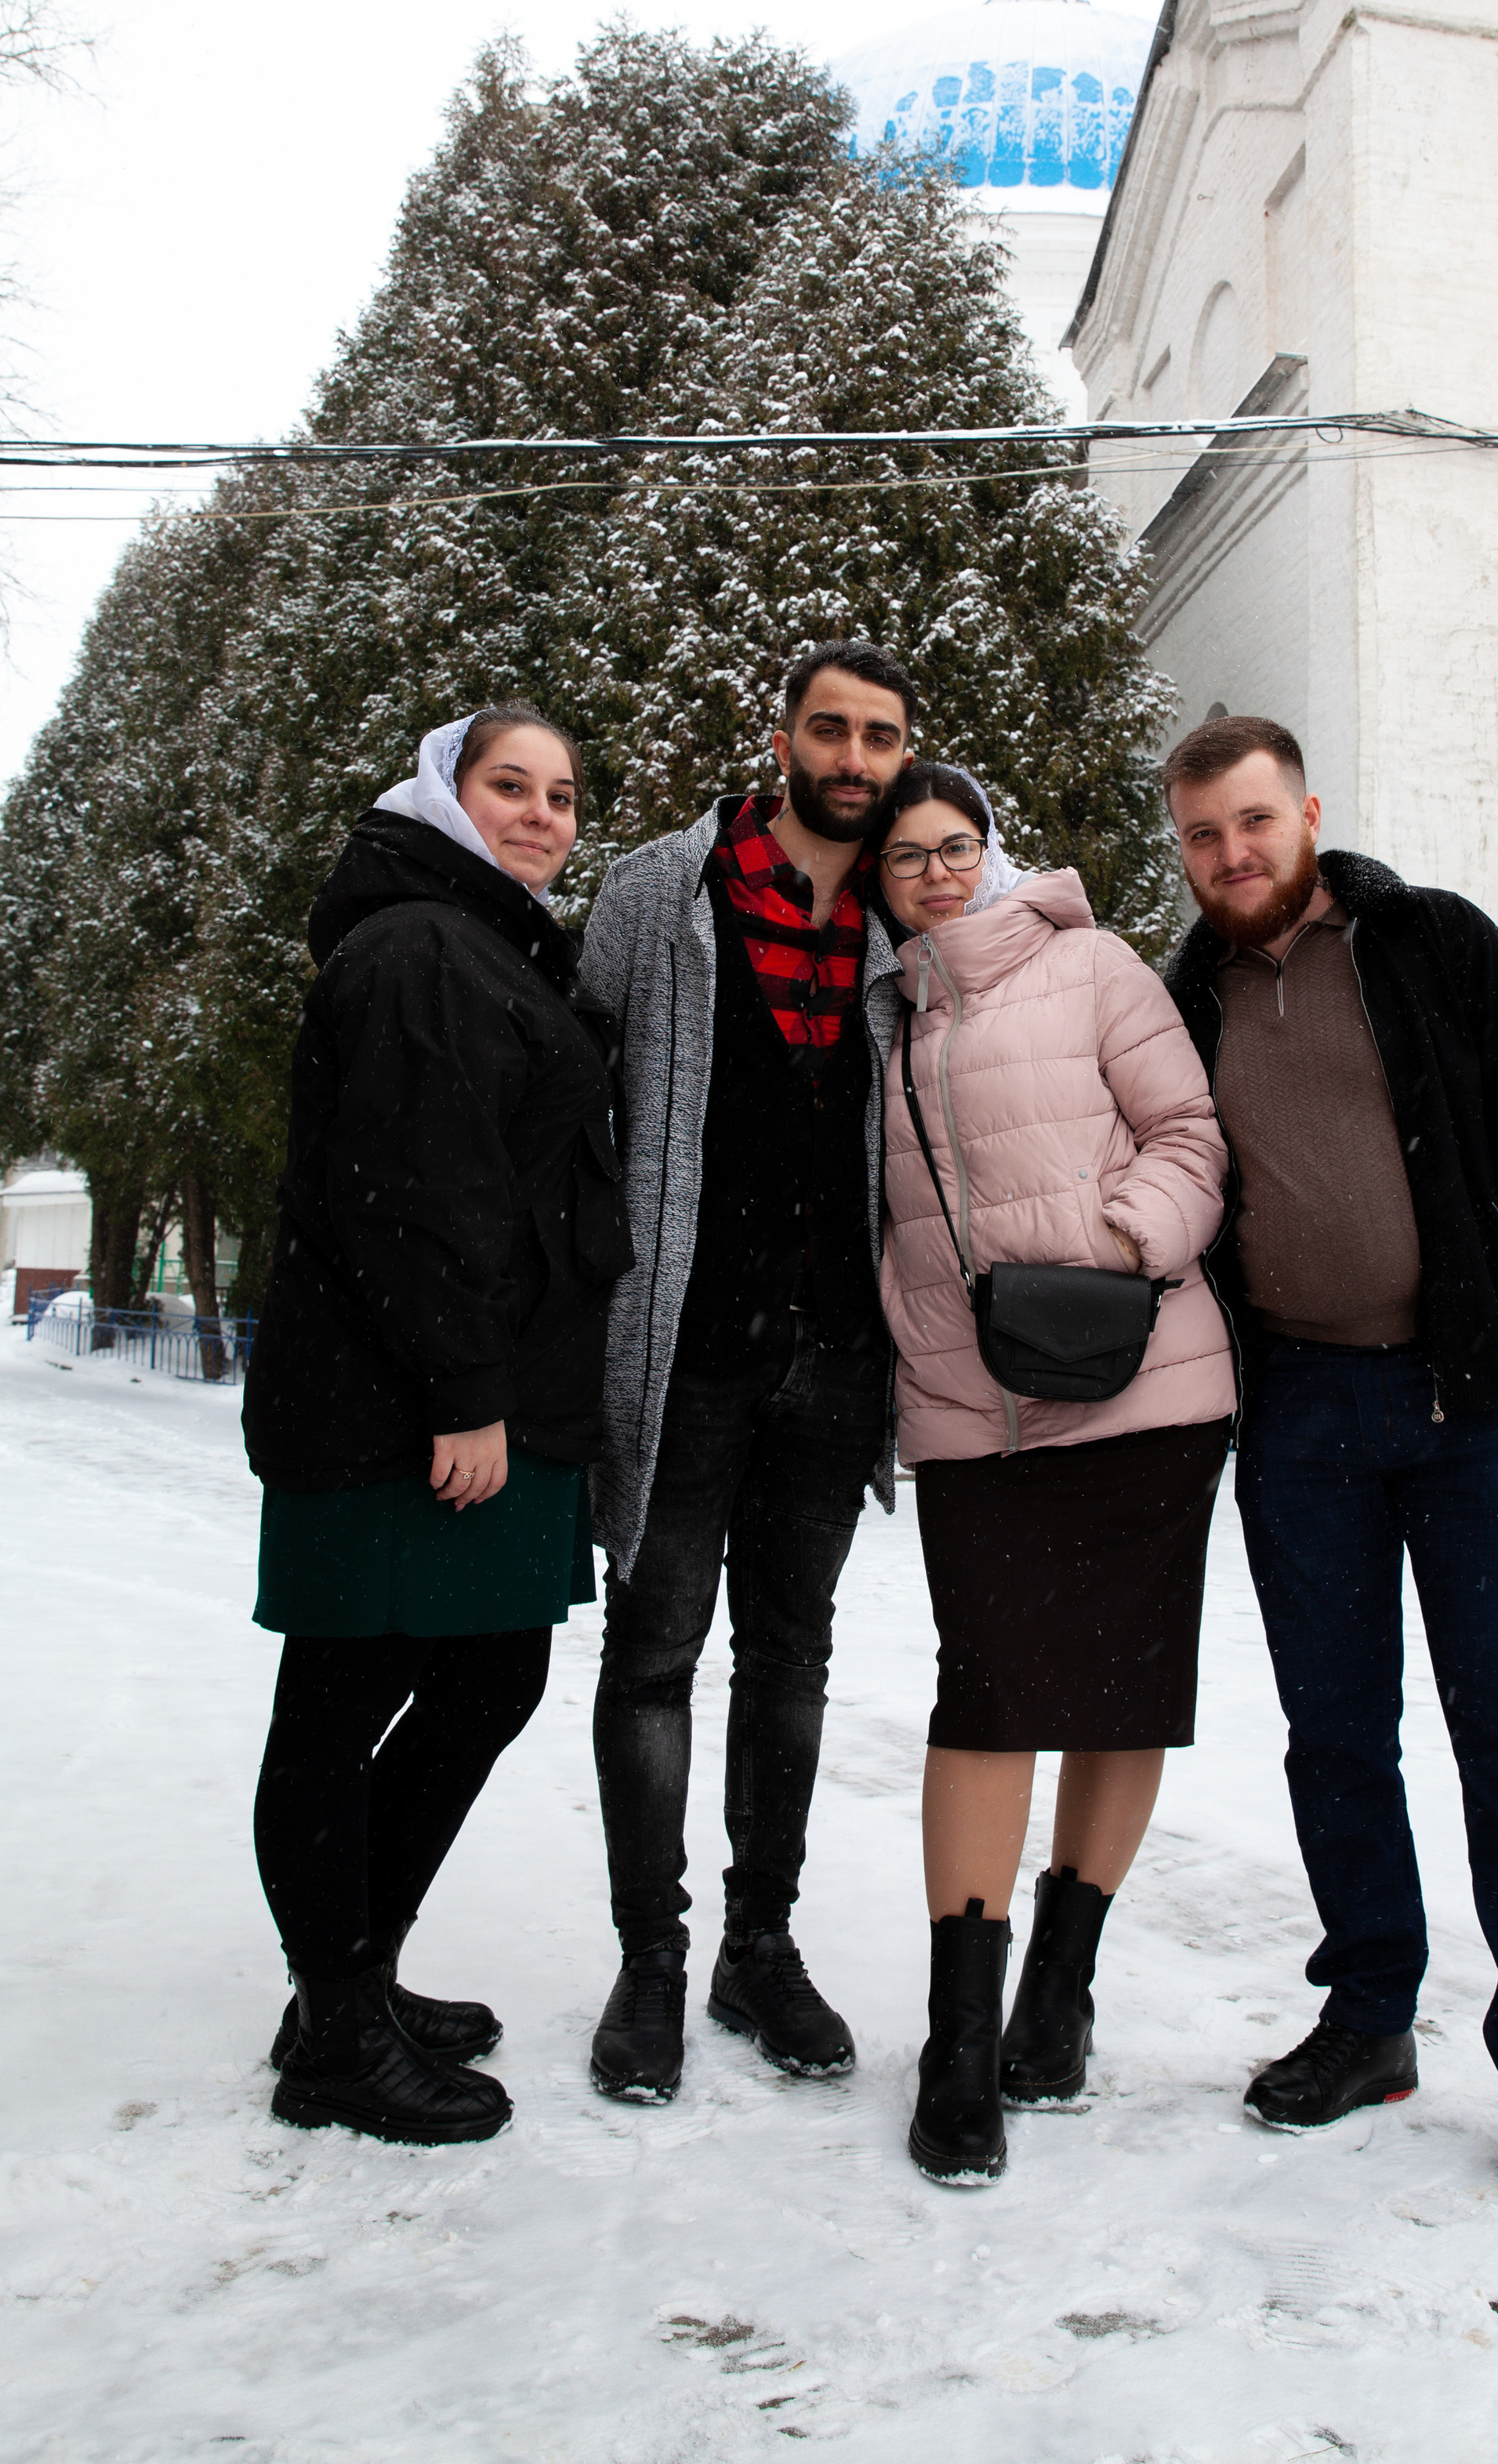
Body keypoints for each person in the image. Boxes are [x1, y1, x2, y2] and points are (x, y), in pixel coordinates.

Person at [1160, 715, 1498, 2238]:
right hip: (1299, 1409)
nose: (1231, 856)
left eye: (1252, 823)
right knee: (1334, 1734)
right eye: (1201, 836)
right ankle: (1368, 2015)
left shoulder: (1430, 942)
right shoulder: (1182, 996)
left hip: (1476, 1404)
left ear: (1302, 813)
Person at [244, 705, 632, 2146]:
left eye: (562, 795)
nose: (541, 814)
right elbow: (412, 1190)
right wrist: (464, 1397)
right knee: (342, 1709)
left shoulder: (487, 940)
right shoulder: (419, 942)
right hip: (402, 1412)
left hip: (486, 1400)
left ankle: (349, 1980)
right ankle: (337, 2026)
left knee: (488, 1681)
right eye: (509, 787)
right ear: (445, 796)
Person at [876, 763, 1235, 2183]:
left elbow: (1191, 1136)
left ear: (993, 846)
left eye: (957, 846)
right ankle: (957, 2037)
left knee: (1119, 1691)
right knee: (987, 1698)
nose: (938, 875)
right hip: (971, 1411)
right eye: (908, 858)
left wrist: (1124, 1256)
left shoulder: (1092, 964)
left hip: (1141, 1390)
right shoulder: (884, 1014)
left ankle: (1061, 1993)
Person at [575, 640, 915, 2101]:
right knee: (652, 1656)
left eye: (880, 738)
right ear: (781, 737)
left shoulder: (923, 905)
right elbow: (570, 1088)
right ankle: (652, 1956)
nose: (852, 758)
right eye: (828, 729)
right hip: (687, 1345)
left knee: (793, 1657)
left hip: (841, 1355)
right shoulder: (663, 890)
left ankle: (756, 1948)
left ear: (905, 755)